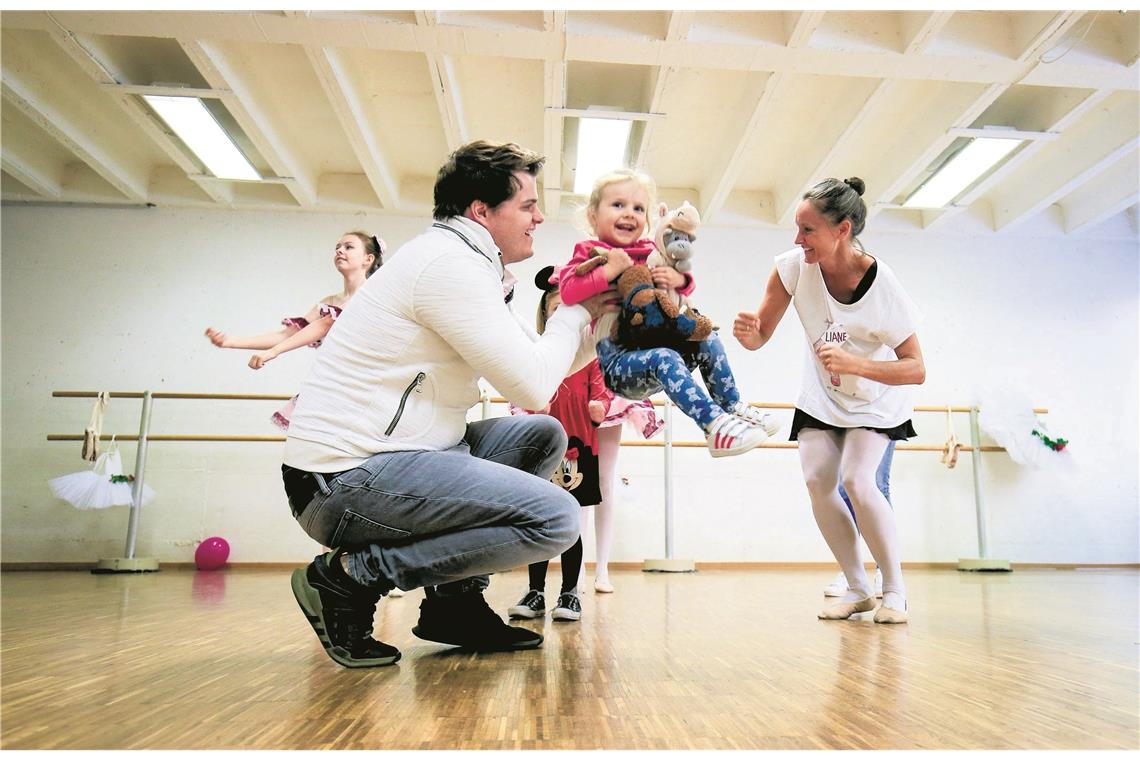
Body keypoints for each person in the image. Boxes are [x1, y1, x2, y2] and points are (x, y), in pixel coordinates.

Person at [281, 140, 616, 668]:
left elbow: (535, 368)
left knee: (542, 436)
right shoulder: (447, 267)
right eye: (528, 206)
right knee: (557, 518)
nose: (540, 217)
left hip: (394, 458)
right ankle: (346, 580)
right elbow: (532, 387)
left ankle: (453, 604)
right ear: (481, 211)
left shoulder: (466, 262)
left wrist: (599, 329)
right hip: (343, 481)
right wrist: (574, 311)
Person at [733, 177, 924, 625]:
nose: (798, 240)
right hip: (823, 394)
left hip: (877, 398)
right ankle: (858, 587)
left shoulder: (883, 284)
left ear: (843, 229)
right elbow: (761, 335)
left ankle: (894, 590)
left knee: (858, 480)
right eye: (797, 229)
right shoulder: (792, 267)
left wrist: (857, 365)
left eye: (808, 230)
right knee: (819, 481)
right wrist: (749, 335)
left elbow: (915, 368)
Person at [555, 169, 779, 458]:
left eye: (638, 208)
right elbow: (568, 288)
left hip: (658, 347)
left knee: (707, 337)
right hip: (621, 362)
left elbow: (684, 284)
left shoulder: (650, 250)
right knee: (666, 357)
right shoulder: (590, 250)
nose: (629, 214)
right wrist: (609, 270)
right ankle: (714, 426)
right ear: (592, 216)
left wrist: (680, 281)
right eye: (618, 205)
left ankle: (731, 406)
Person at [507, 272, 610, 623]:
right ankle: (536, 592)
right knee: (539, 519)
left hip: (578, 447)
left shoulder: (588, 356)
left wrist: (600, 407)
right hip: (541, 448)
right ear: (545, 316)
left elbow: (601, 391)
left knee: (570, 523)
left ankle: (569, 593)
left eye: (566, 311)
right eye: (554, 311)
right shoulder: (535, 354)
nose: (560, 318)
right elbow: (520, 392)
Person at [204, 231, 385, 428]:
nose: (340, 250)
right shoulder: (329, 303)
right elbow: (288, 335)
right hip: (332, 383)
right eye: (337, 248)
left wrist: (273, 352)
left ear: (368, 259)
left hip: (364, 386)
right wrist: (230, 342)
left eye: (348, 247)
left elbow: (325, 325)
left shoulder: (374, 296)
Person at [823, 441, 894, 598]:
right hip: (845, 419)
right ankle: (851, 573)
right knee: (844, 487)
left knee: (877, 485)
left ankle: (886, 572)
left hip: (880, 419)